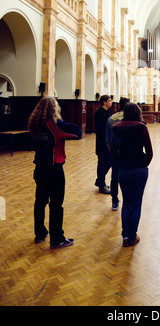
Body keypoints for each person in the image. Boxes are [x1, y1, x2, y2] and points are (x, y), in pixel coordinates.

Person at [28, 96, 82, 248]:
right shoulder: (55, 124)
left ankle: (40, 233)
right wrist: (61, 122)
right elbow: (77, 132)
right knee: (56, 204)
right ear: (54, 108)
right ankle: (57, 238)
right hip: (54, 168)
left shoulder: (35, 123)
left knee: (40, 201)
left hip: (39, 168)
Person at [110, 103, 153, 247]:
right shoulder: (141, 127)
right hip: (139, 169)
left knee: (126, 202)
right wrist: (143, 163)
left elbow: (113, 150)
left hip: (124, 169)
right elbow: (149, 151)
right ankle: (133, 235)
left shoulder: (116, 128)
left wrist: (119, 165)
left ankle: (125, 236)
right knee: (136, 203)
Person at [106, 97, 130, 211]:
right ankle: (127, 200)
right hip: (128, 154)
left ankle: (114, 200)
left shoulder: (111, 119)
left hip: (115, 153)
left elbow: (108, 139)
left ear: (119, 106)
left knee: (114, 177)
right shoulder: (132, 120)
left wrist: (112, 151)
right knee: (128, 177)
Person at [94, 94, 112, 193]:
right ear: (104, 102)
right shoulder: (100, 113)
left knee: (107, 162)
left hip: (106, 141)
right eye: (109, 100)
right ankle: (101, 185)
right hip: (102, 142)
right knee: (103, 163)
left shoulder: (106, 112)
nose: (111, 102)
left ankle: (100, 181)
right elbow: (101, 130)